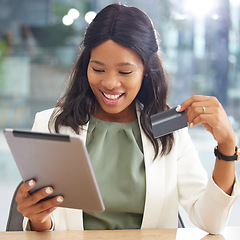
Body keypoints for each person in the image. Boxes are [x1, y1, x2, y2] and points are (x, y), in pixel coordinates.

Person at [15, 3, 239, 233]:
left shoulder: (169, 127)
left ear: (146, 70)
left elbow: (212, 222)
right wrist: (37, 218)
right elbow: (44, 226)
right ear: (86, 67)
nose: (110, 83)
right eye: (98, 69)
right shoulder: (51, 125)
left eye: (125, 72)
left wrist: (227, 145)